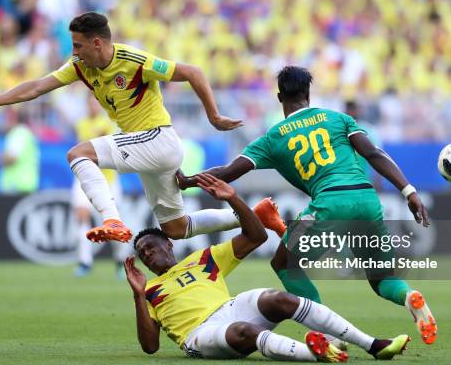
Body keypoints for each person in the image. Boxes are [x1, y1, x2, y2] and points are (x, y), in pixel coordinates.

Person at [177, 66, 437, 344]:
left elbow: (228, 172)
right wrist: (408, 191)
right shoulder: (339, 119)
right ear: (308, 94)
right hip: (367, 199)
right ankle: (409, 296)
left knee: (284, 264)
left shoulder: (273, 138)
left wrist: (187, 181)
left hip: (328, 203)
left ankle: (327, 331)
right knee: (382, 276)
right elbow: (374, 153)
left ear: (280, 97)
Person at [0, 11, 250, 244]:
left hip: (158, 138)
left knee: (78, 154)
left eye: (77, 45)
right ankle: (251, 216)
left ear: (97, 43)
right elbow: (36, 87)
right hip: (148, 148)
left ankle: (112, 219)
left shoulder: (134, 61)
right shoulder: (79, 66)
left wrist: (213, 115)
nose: (74, 51)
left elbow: (192, 72)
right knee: (176, 228)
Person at [125, 173, 410, 361]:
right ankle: (316, 354)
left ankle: (373, 345)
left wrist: (233, 198)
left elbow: (257, 236)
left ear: (169, 245)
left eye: (150, 247)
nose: (146, 254)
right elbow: (150, 347)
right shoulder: (150, 291)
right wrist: (138, 294)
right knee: (243, 331)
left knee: (278, 298)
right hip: (199, 334)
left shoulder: (203, 259)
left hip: (230, 309)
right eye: (141, 254)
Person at [72, 97, 127, 278]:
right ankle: (85, 262)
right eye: (90, 103)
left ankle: (120, 262)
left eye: (95, 102)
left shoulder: (108, 123)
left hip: (108, 180)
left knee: (113, 222)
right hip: (85, 179)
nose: (92, 106)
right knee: (82, 217)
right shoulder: (81, 124)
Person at [0, 107, 39, 194]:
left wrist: (1, 157)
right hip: (24, 185)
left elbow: (11, 158)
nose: (4, 121)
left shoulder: (19, 133)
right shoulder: (25, 132)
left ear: (13, 118)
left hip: (17, 187)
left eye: (7, 118)